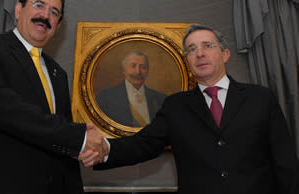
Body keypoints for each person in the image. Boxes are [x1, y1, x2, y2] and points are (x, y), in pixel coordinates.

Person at [81, 24, 299, 194]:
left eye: (207, 46)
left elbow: (285, 163)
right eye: (192, 49)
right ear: (187, 61)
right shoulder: (176, 105)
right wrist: (104, 149)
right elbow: (143, 144)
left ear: (225, 54)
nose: (200, 54)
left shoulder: (260, 98)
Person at [0, 0, 107, 194]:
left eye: (54, 12)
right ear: (18, 10)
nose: (45, 15)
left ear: (57, 26)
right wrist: (79, 137)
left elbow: (58, 135)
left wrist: (79, 149)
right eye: (38, 5)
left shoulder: (58, 73)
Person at [96, 51, 166, 127]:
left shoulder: (161, 99)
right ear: (124, 70)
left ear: (148, 71)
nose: (138, 72)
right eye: (133, 66)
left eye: (143, 67)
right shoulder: (105, 98)